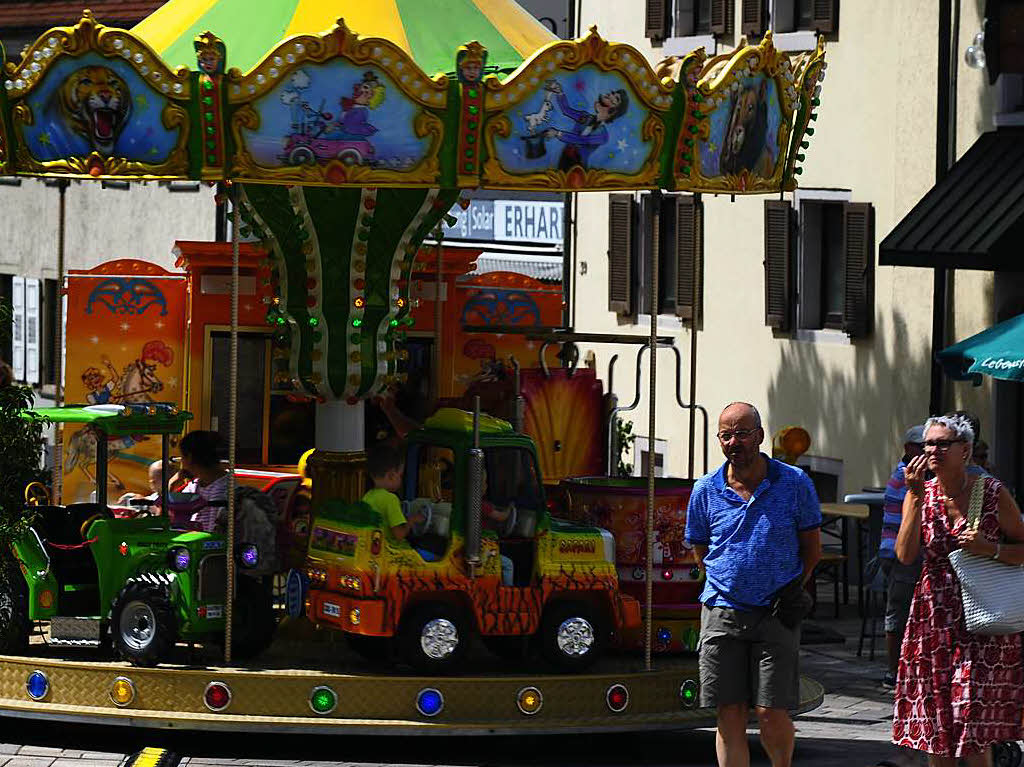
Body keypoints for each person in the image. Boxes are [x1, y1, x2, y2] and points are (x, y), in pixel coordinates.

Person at [685, 402, 822, 767]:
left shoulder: (794, 483)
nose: (734, 442)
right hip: (721, 611)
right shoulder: (705, 490)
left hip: (776, 611)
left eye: (742, 433)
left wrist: (796, 587)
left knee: (769, 711)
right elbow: (700, 546)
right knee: (728, 712)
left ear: (760, 436)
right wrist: (725, 578)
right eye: (726, 435)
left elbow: (812, 546)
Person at [893, 413, 1024, 766]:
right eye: (928, 444)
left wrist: (989, 548)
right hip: (933, 619)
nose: (932, 450)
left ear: (964, 451)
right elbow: (905, 555)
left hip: (983, 617)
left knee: (973, 727)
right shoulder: (920, 493)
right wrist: (916, 498)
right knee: (938, 732)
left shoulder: (993, 493)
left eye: (941, 444)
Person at [876, 424, 925, 688]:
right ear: (909, 449)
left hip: (904, 553)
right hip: (898, 554)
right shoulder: (905, 476)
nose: (928, 452)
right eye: (923, 446)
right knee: (899, 611)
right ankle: (893, 672)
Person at [361, 443, 433, 559]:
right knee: (430, 556)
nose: (401, 479)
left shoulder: (368, 496)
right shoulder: (391, 499)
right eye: (400, 475)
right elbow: (399, 534)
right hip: (392, 551)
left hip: (376, 548)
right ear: (391, 475)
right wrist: (412, 520)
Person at [178, 430, 229, 531]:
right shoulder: (195, 485)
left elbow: (213, 532)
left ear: (189, 457)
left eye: (182, 457)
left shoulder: (222, 490)